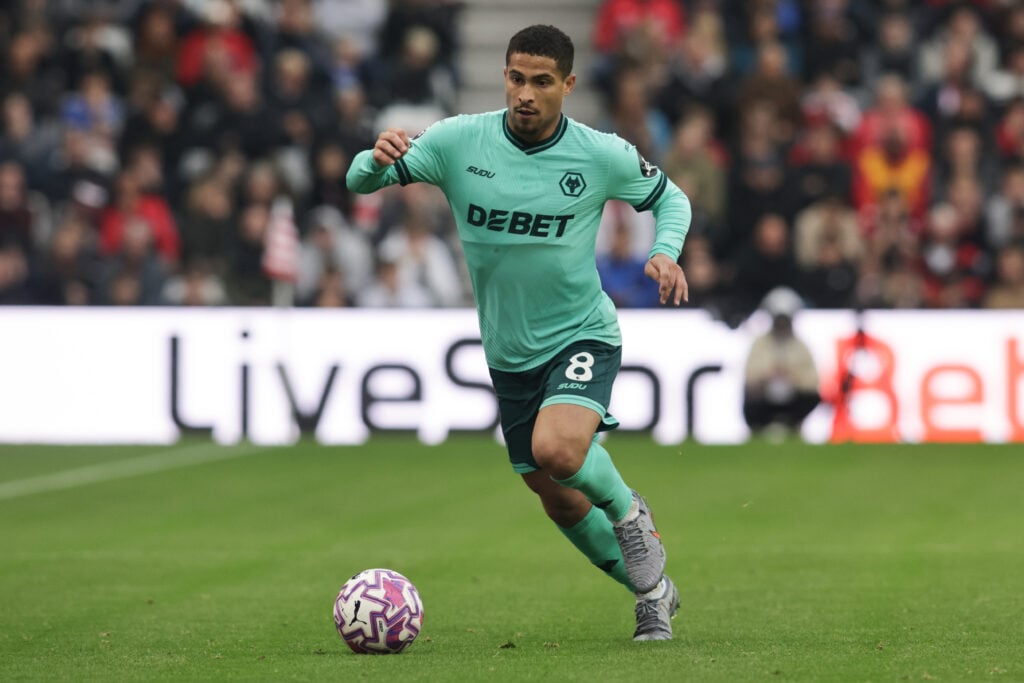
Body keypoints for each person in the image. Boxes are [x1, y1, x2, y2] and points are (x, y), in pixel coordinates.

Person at [346, 25, 691, 641]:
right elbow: (359, 183)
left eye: (540, 81)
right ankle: (653, 592)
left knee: (561, 451)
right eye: (515, 78)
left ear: (568, 85)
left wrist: (665, 251)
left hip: (582, 332)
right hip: (509, 354)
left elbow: (673, 201)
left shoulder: (599, 153)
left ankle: (628, 510)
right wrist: (374, 160)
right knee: (557, 497)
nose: (524, 94)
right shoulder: (458, 141)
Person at [742, 286, 821, 440]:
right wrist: (767, 376)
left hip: (794, 399)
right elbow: (749, 378)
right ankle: (760, 428)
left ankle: (792, 424)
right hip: (764, 399)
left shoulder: (801, 346)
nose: (782, 325)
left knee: (812, 397)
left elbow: (813, 382)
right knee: (750, 398)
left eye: (785, 320)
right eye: (779, 320)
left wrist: (793, 377)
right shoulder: (759, 344)